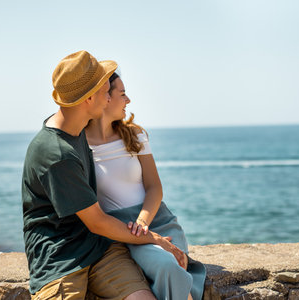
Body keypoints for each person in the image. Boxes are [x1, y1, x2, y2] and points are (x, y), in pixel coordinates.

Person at [22, 50, 186, 300]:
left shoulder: (75, 131)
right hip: (60, 259)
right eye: (103, 90)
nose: (107, 97)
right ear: (88, 98)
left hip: (99, 247)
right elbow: (97, 221)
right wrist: (156, 240)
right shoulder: (58, 154)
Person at [85, 72, 206, 300]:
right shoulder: (81, 146)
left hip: (156, 221)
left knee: (173, 263)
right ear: (104, 97)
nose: (128, 100)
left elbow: (154, 188)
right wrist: (136, 232)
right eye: (122, 94)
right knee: (167, 266)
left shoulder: (135, 134)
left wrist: (142, 224)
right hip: (120, 231)